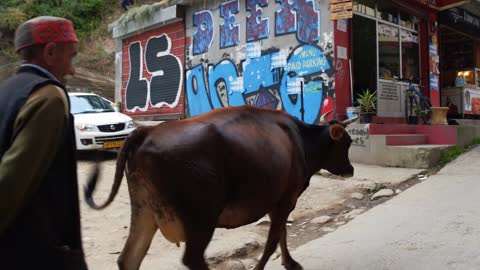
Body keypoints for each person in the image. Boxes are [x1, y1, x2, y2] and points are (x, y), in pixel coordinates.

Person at [0, 16, 88, 270]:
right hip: (35, 252)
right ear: (50, 52)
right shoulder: (49, 96)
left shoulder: (7, 90)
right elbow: (11, 180)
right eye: (71, 57)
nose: (72, 69)